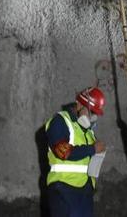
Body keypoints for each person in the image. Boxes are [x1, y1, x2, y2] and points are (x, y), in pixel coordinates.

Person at [45, 87, 107, 217]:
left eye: (95, 114)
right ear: (79, 104)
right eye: (90, 113)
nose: (92, 118)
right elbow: (62, 151)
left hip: (84, 192)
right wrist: (92, 149)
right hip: (64, 189)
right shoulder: (60, 121)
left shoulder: (88, 131)